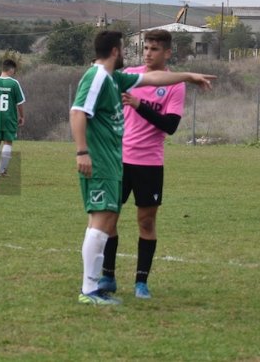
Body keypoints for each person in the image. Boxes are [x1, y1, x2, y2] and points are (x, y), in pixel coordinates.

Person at [70, 30, 214, 306]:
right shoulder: (101, 76)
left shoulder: (117, 77)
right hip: (107, 161)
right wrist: (82, 152)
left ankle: (119, 284)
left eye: (152, 48)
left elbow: (157, 85)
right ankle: (94, 285)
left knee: (122, 221)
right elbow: (77, 112)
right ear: (115, 51)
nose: (144, 53)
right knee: (102, 222)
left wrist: (187, 76)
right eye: (135, 48)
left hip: (135, 163)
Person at [97, 29, 185, 301]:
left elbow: (170, 125)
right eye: (146, 48)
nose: (148, 53)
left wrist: (139, 105)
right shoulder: (130, 76)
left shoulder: (174, 84)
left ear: (167, 53)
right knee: (109, 218)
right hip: (119, 160)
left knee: (146, 222)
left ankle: (141, 282)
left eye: (154, 49)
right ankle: (108, 276)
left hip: (149, 163)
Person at [0, 58, 26, 177]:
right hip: (9, 118)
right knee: (8, 142)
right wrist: (22, 116)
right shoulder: (14, 83)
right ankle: (2, 171)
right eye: (14, 70)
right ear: (11, 69)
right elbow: (20, 103)